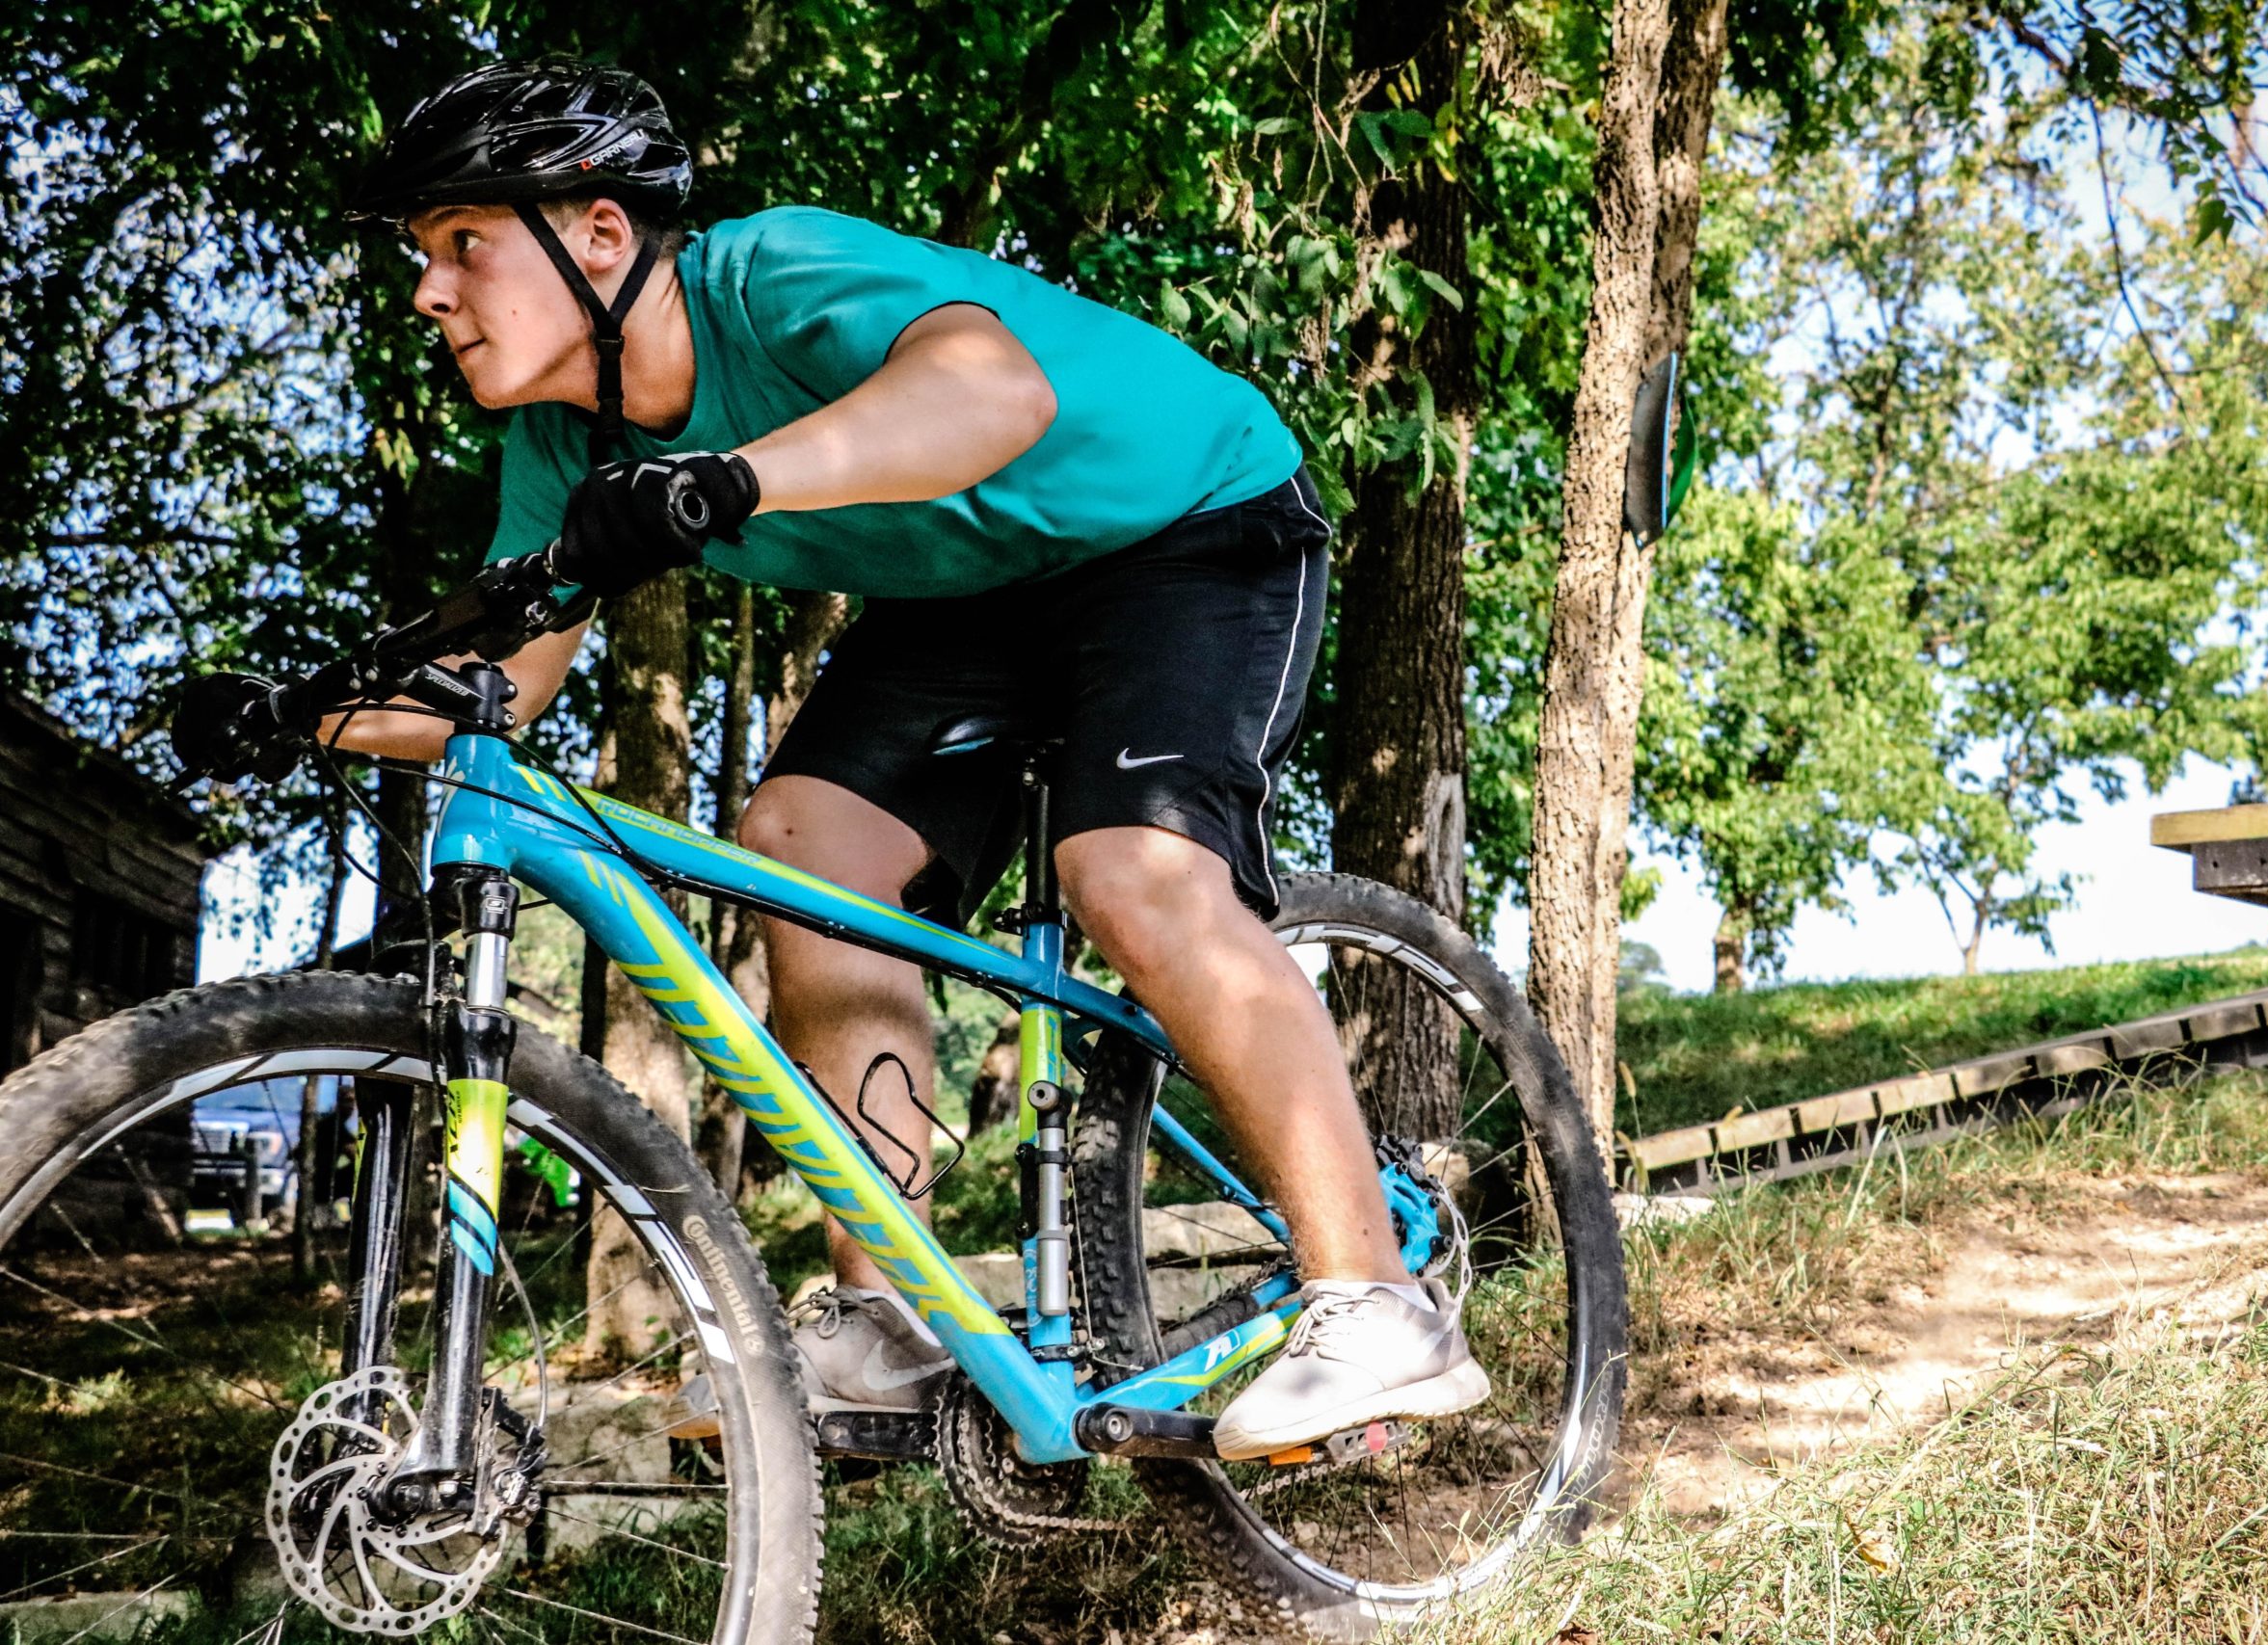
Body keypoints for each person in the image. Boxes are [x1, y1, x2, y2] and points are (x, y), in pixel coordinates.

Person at [330, 56, 1489, 1461]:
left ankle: (1376, 1297)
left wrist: (728, 480)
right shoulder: (557, 440)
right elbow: (493, 683)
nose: (427, 293)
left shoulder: (771, 272)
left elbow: (987, 397)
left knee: (1134, 871)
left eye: (462, 245)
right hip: (974, 593)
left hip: (1185, 519)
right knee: (807, 850)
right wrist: (305, 711)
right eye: (421, 258)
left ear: (599, 235)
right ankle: (888, 1321)